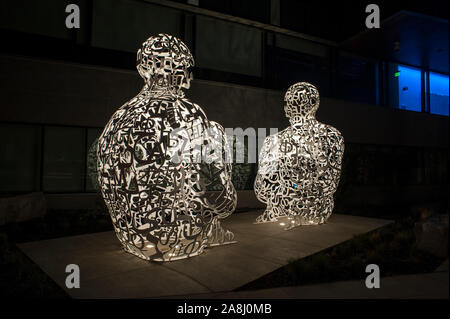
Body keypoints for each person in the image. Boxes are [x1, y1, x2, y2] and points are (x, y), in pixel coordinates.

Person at [97, 34, 236, 261]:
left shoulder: (118, 119)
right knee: (215, 131)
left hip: (134, 238)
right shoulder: (189, 114)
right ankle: (210, 234)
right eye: (186, 70)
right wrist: (226, 200)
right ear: (173, 70)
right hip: (181, 239)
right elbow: (213, 194)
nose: (190, 79)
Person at [254, 82, 344, 227]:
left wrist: (288, 185)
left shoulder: (273, 141)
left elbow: (262, 191)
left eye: (290, 103)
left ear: (286, 109)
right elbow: (329, 184)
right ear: (316, 104)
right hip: (314, 210)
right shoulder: (332, 136)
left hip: (286, 211)